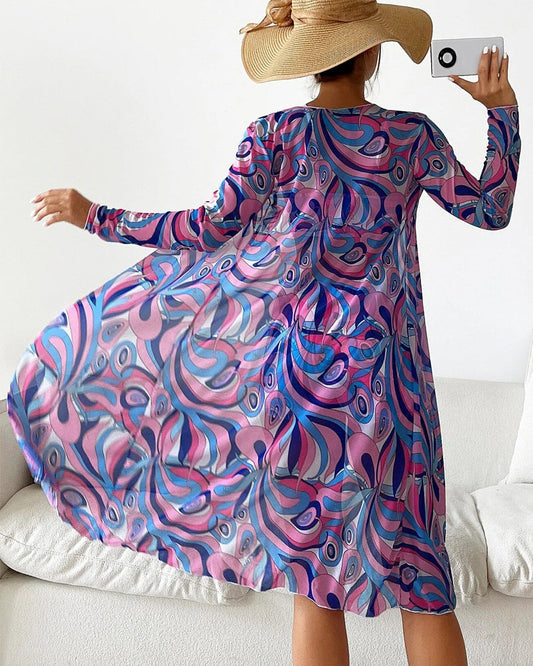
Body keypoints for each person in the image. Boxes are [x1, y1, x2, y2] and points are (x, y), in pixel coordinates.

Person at [11, 0, 519, 664]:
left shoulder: (275, 135)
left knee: (314, 581)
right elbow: (490, 208)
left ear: (308, 56)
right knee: (421, 579)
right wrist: (501, 109)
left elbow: (202, 230)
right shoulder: (410, 136)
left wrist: (94, 215)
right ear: (372, 52)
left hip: (301, 388)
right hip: (390, 388)